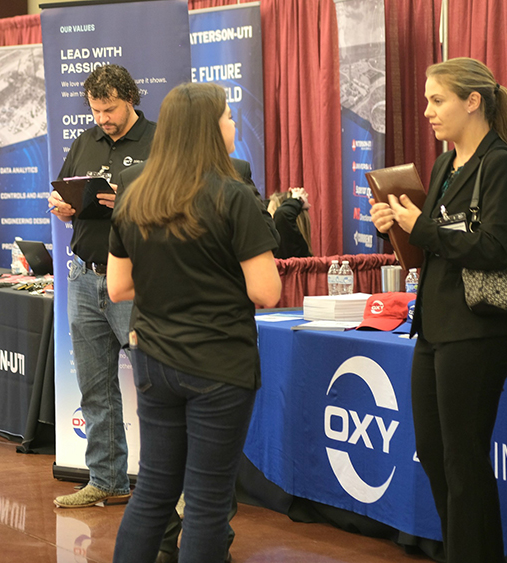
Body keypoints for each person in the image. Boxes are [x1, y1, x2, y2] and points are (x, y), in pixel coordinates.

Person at [107, 82, 281, 563]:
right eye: (228, 117)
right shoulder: (234, 196)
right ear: (208, 128)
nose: (232, 125)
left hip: (155, 362)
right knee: (206, 503)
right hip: (219, 364)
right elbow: (266, 292)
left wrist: (173, 284)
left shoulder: (135, 196)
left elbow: (118, 287)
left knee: (154, 491)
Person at [370, 57, 507, 563]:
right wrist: (392, 224)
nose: (428, 111)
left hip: (479, 330)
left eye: (438, 100)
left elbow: (496, 248)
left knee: (463, 461)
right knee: (435, 455)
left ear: (472, 101)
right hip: (433, 325)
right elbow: (427, 249)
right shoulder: (442, 164)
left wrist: (423, 229)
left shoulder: (501, 164)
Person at [48, 64, 156, 509]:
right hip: (83, 272)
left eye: (110, 109)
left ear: (129, 98)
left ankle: (170, 488)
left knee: (155, 387)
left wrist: (127, 200)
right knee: (94, 385)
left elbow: (176, 203)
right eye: (95, 109)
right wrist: (62, 205)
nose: (103, 118)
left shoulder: (158, 139)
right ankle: (107, 478)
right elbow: (66, 187)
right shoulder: (85, 140)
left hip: (135, 279)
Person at [267, 187, 313, 259]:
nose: (268, 219)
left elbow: (282, 215)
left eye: (271, 214)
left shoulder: (294, 247)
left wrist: (298, 199)